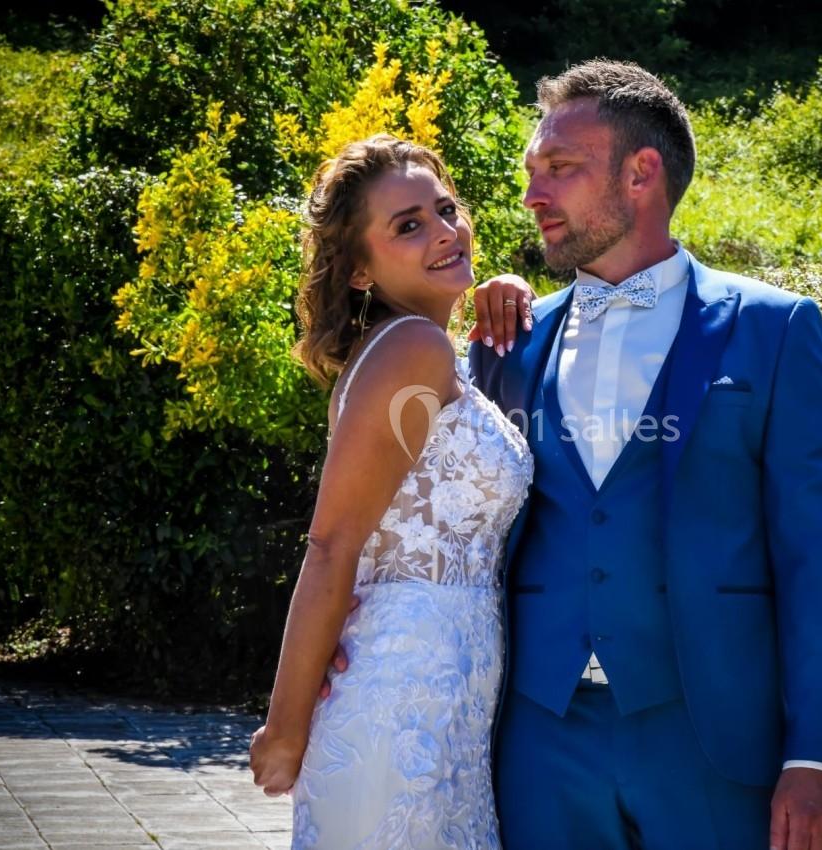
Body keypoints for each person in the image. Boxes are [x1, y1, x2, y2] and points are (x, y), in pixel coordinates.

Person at [466, 60, 822, 850]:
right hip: (540, 739)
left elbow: (813, 555)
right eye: (532, 172)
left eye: (561, 170)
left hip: (709, 735)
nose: (533, 195)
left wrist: (817, 756)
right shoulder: (512, 339)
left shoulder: (774, 330)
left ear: (642, 173)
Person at [248, 135, 533, 850]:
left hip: (446, 702)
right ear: (358, 271)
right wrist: (285, 729)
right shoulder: (413, 349)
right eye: (408, 226)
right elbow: (332, 544)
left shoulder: (428, 350)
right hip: (398, 700)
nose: (443, 231)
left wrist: (512, 292)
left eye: (445, 210)